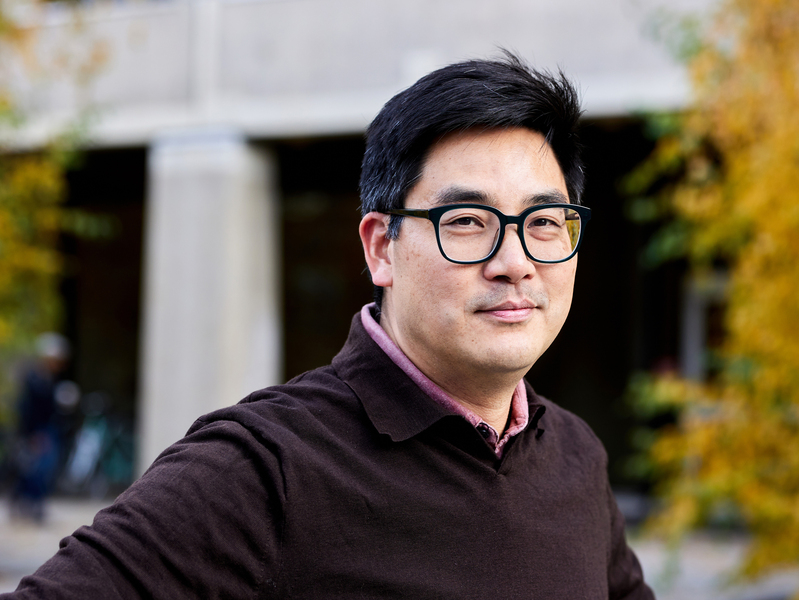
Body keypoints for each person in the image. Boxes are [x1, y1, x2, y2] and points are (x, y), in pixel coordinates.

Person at [4, 53, 655, 599]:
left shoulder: (574, 454)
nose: (515, 263)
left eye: (543, 224)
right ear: (381, 247)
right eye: (466, 222)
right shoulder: (264, 466)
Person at [9, 333, 71, 523]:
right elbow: (28, 410)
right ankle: (27, 503)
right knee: (36, 469)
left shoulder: (50, 380)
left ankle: (33, 504)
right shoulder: (35, 380)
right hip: (38, 431)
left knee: (44, 468)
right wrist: (31, 435)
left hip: (48, 429)